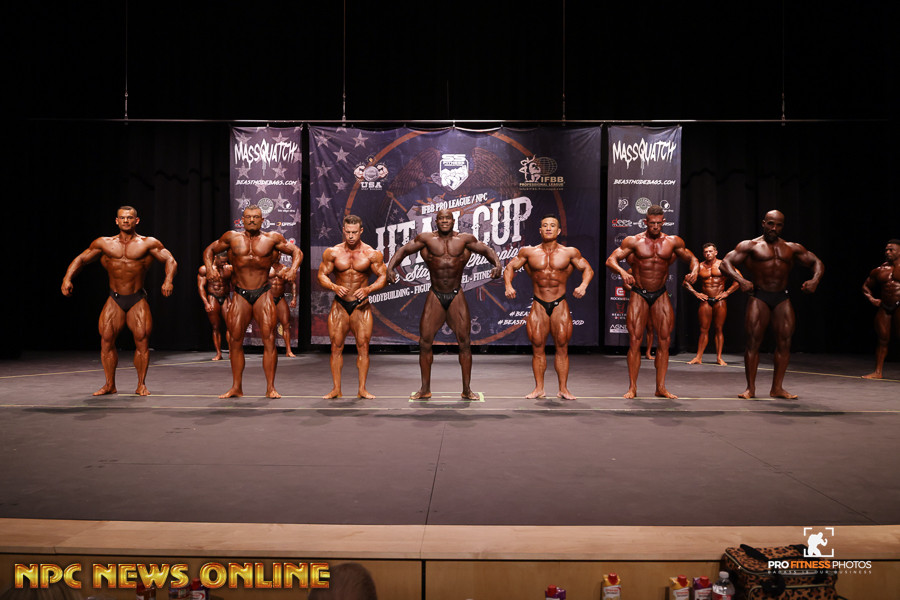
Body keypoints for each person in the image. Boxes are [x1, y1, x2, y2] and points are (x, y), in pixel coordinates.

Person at [385, 208, 502, 400]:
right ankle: (425, 389)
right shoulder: (426, 239)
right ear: (436, 221)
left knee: (464, 343)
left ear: (453, 221)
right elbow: (404, 250)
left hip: (456, 294)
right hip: (435, 294)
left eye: (448, 218)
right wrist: (390, 268)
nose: (445, 221)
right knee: (424, 342)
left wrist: (497, 265)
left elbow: (487, 250)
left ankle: (466, 389)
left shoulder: (465, 239)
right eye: (441, 218)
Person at [61, 206, 177, 396]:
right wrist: (67, 278)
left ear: (136, 221)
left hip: (137, 298)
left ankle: (141, 385)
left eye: (129, 218)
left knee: (142, 341)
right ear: (116, 221)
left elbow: (170, 260)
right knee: (106, 340)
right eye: (122, 218)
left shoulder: (148, 243)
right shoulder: (104, 243)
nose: (125, 221)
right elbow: (81, 259)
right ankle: (109, 385)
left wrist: (168, 280)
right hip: (114, 299)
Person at [721, 209, 824, 399]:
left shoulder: (791, 248)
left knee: (785, 342)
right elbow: (725, 263)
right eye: (770, 224)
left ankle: (777, 388)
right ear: (763, 223)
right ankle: (750, 389)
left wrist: (815, 280)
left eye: (778, 225)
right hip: (759, 296)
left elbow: (816, 262)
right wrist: (741, 280)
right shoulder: (750, 245)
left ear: (782, 226)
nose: (774, 228)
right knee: (753, 342)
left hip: (782, 298)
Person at [203, 205, 303, 399]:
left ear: (262, 220)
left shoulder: (272, 238)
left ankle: (270, 388)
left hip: (263, 293)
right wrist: (209, 267)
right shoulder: (232, 237)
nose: (251, 220)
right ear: (242, 219)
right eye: (248, 217)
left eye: (256, 217)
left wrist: (293, 269)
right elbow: (210, 250)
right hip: (240, 294)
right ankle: (236, 387)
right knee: (235, 341)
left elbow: (296, 252)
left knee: (269, 339)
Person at [605, 205, 698, 399]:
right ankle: (632, 388)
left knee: (664, 341)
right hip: (639, 293)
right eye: (652, 223)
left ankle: (661, 388)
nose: (655, 226)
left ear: (663, 221)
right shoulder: (634, 241)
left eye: (658, 223)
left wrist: (695, 270)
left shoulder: (673, 241)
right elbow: (611, 260)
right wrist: (622, 272)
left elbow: (692, 258)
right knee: (635, 341)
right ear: (645, 222)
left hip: (660, 294)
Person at [504, 214, 593, 399]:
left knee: (562, 347)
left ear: (559, 231)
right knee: (537, 347)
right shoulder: (528, 252)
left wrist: (583, 285)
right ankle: (539, 389)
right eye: (545, 225)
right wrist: (508, 285)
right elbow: (510, 267)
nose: (548, 228)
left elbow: (587, 269)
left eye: (552, 225)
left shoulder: (569, 252)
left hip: (560, 304)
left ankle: (563, 389)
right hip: (539, 304)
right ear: (540, 230)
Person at [317, 215, 388, 398]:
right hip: (340, 306)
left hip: (361, 307)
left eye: (354, 232)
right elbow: (322, 275)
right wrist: (333, 286)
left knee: (363, 347)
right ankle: (336, 389)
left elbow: (383, 276)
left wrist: (368, 289)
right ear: (343, 230)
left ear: (361, 231)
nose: (350, 236)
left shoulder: (371, 253)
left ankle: (362, 389)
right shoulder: (333, 252)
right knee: (336, 347)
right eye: (348, 232)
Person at [683, 242, 739, 366]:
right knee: (703, 329)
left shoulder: (723, 265)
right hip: (706, 301)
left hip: (720, 300)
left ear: (716, 252)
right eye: (706, 252)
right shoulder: (699, 267)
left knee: (719, 329)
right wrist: (696, 293)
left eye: (710, 251)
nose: (708, 254)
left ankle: (719, 357)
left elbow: (739, 279)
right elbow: (685, 282)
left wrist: (727, 293)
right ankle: (698, 357)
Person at [861, 239, 900, 379]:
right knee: (882, 339)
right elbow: (865, 286)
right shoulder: (880, 270)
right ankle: (878, 372)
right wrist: (872, 299)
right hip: (884, 307)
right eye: (886, 250)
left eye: (891, 250)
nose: (887, 252)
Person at [197, 252, 232, 361]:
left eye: (225, 261)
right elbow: (201, 287)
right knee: (216, 327)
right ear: (215, 258)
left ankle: (232, 352)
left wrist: (231, 299)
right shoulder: (205, 269)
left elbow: (234, 284)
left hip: (225, 298)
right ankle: (218, 353)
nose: (223, 263)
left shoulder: (228, 268)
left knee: (230, 326)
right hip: (213, 298)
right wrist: (206, 303)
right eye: (222, 261)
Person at [269, 254, 297, 358]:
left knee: (286, 324)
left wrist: (294, 298)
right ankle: (270, 350)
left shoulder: (285, 269)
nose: (277, 256)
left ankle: (288, 350)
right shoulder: (266, 268)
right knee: (270, 326)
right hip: (269, 299)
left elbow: (292, 284)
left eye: (279, 254)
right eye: (275, 254)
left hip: (280, 298)